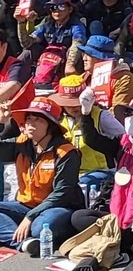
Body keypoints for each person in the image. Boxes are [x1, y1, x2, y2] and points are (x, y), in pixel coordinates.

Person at [71, 94, 133, 256]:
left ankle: (118, 240)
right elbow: (93, 140)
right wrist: (86, 113)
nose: (131, 118)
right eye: (129, 114)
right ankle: (125, 241)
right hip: (118, 212)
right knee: (79, 217)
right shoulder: (123, 143)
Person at [0, 97, 83, 253]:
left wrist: (30, 216)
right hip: (25, 205)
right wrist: (1, 123)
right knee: (36, 229)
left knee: (40, 228)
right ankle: (23, 243)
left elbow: (62, 193)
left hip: (58, 207)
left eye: (38, 119)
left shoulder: (66, 152)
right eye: (29, 118)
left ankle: (19, 232)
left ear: (50, 126)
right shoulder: (21, 144)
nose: (31, 123)